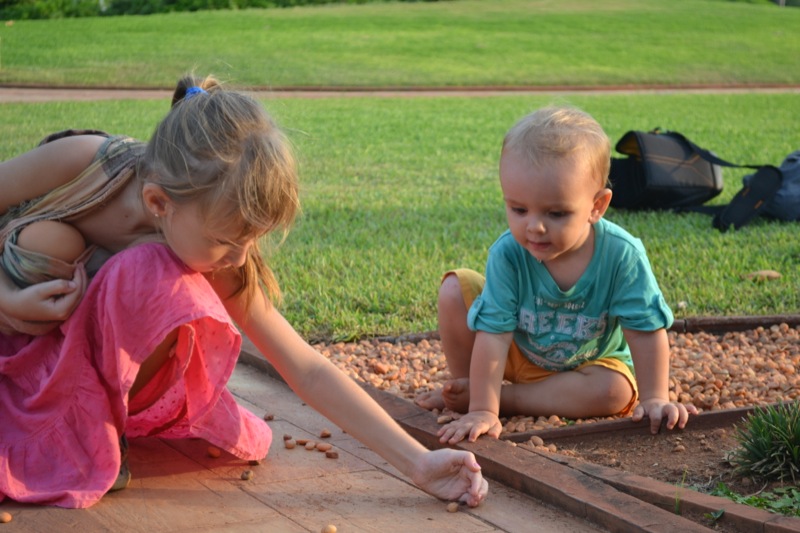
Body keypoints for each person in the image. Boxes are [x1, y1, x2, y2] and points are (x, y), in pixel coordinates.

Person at [0, 75, 488, 509]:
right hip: (16, 346)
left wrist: (418, 462)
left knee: (155, 272)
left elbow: (306, 367)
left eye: (251, 240)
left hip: (80, 371)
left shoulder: (212, 244)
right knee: (57, 244)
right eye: (226, 241)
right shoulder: (84, 163)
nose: (239, 258)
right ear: (158, 202)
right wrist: (7, 298)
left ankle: (96, 431)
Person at [415, 105, 697, 445]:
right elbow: (494, 335)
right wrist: (482, 411)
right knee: (453, 289)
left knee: (615, 391)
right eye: (519, 209)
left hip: (586, 367)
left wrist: (655, 398)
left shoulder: (621, 254)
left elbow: (644, 331)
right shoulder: (508, 253)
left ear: (597, 206)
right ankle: (470, 390)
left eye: (557, 213)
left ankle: (502, 398)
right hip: (515, 352)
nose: (534, 226)